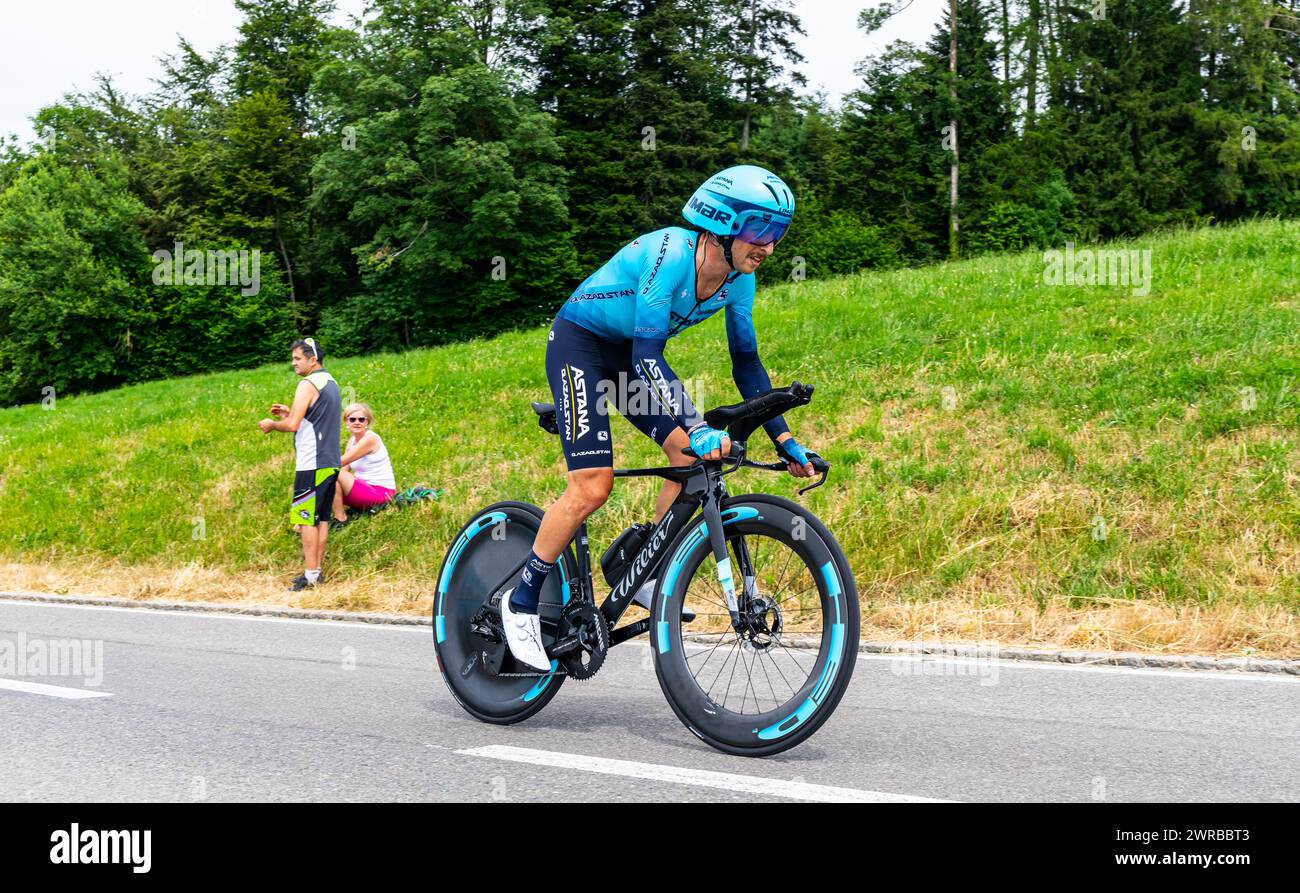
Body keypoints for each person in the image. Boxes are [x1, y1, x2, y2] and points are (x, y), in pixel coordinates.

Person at [500, 165, 819, 670]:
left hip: (627, 356)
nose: (770, 246)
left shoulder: (739, 282)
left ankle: (641, 568)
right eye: (761, 231)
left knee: (685, 456)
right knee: (592, 486)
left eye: (778, 234)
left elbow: (747, 365)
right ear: (722, 222)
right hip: (581, 347)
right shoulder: (669, 255)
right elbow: (649, 356)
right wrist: (698, 424)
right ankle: (520, 601)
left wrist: (785, 439)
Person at [259, 337, 342, 591]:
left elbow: (293, 425)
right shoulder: (330, 382)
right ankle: (316, 574)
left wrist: (273, 425)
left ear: (312, 359)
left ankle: (310, 576)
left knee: (306, 519)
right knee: (323, 519)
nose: (293, 363)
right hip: (330, 461)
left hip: (311, 462)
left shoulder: (306, 384)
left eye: (297, 358)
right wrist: (290, 412)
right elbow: (314, 418)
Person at [330, 402, 398, 523]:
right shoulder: (352, 441)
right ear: (346, 422)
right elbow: (343, 469)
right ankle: (308, 519)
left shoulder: (370, 439)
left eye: (361, 419)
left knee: (331, 472)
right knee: (327, 480)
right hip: (363, 489)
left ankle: (341, 519)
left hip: (381, 492)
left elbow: (338, 463)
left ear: (367, 422)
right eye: (352, 419)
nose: (357, 422)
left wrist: (314, 464)